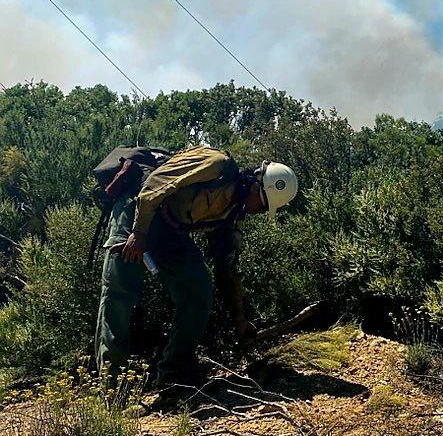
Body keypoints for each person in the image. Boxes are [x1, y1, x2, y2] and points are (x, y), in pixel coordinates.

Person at [94, 146, 298, 389]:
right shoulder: (216, 164)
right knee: (119, 292)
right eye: (263, 206)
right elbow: (154, 185)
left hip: (168, 228)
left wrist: (240, 318)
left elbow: (227, 268)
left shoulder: (231, 214)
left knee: (197, 291)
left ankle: (173, 377)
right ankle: (112, 389)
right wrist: (138, 234)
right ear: (256, 188)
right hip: (136, 208)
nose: (259, 212)